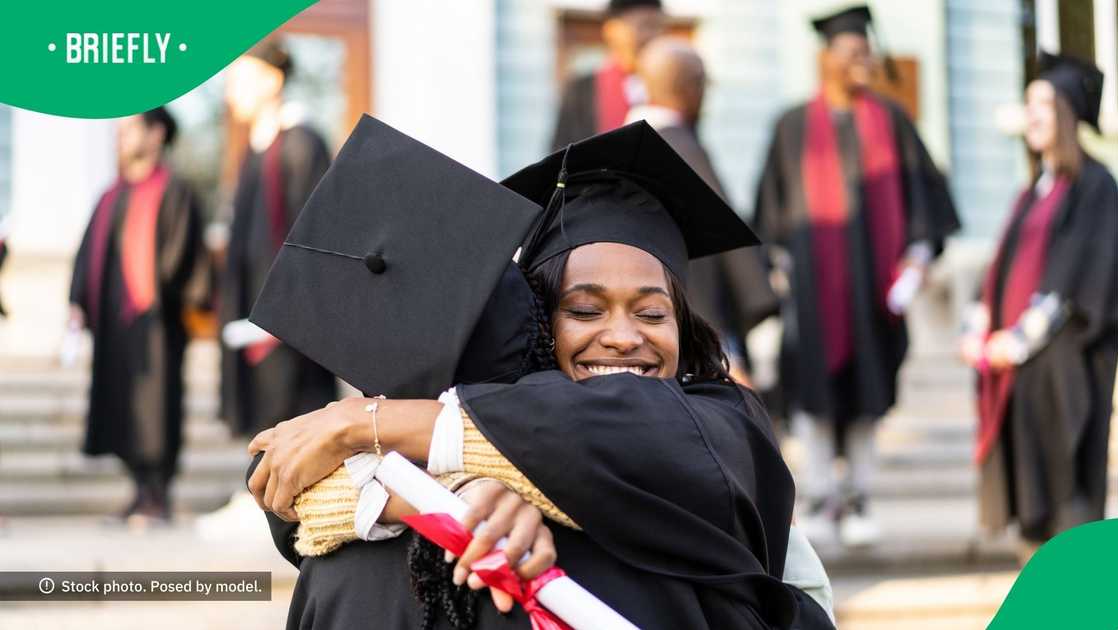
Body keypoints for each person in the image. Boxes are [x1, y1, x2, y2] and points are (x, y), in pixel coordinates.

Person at [244, 118, 835, 629]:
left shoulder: (724, 421)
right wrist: (453, 493)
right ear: (541, 325)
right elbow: (281, 483)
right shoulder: (506, 420)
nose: (624, 336)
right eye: (584, 309)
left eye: (653, 313)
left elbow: (627, 434)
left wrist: (365, 424)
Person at [752, 5, 960, 546]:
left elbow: (925, 199)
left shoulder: (891, 120)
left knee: (868, 393)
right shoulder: (792, 125)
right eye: (852, 54)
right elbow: (770, 212)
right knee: (814, 396)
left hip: (874, 294)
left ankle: (861, 493)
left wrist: (916, 258)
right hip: (814, 297)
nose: (863, 62)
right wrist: (774, 268)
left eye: (866, 52)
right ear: (827, 59)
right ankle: (821, 495)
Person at [960, 52, 1117, 564]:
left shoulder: (1096, 186)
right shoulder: (1034, 190)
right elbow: (999, 270)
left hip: (1065, 369)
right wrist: (980, 324)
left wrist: (1017, 340)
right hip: (1023, 374)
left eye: (1043, 103)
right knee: (1031, 502)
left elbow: (1080, 280)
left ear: (1070, 112)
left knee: (1067, 502)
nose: (1031, 114)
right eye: (1028, 102)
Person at [68, 106, 208, 523]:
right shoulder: (111, 195)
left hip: (156, 326)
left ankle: (157, 494)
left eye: (129, 129)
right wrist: (77, 300)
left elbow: (183, 256)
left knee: (157, 410)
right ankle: (138, 491)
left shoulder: (175, 190)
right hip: (115, 328)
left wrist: (164, 296)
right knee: (120, 410)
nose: (120, 137)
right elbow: (86, 255)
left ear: (157, 134)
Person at [627, 36, 779, 385]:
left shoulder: (623, 146)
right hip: (697, 315)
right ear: (689, 88)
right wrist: (759, 295)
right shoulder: (684, 148)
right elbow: (728, 241)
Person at [218, 38, 337, 439]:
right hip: (253, 308)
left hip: (292, 315)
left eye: (240, 79)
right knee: (262, 412)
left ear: (271, 80)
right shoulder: (255, 149)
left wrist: (288, 309)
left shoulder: (301, 143)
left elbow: (316, 235)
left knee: (296, 411)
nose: (230, 92)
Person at [549, 0, 664, 150]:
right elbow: (560, 154)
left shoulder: (668, 92)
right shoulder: (581, 90)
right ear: (612, 30)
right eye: (645, 25)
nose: (652, 36)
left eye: (658, 27)